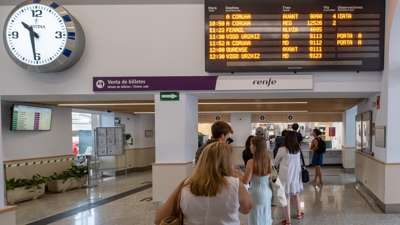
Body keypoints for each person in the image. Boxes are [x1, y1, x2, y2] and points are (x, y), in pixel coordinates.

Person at [155, 142, 253, 225]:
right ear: (227, 162)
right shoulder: (235, 184)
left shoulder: (186, 184)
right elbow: (246, 209)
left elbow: (159, 218)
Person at [239, 135, 273, 225]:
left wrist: (238, 175)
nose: (250, 147)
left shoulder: (251, 162)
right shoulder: (268, 159)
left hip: (256, 192)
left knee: (256, 217)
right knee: (266, 215)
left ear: (256, 147)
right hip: (268, 191)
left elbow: (246, 181)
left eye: (251, 144)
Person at [274, 131, 304, 225]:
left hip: (285, 176)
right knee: (296, 195)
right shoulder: (298, 148)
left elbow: (275, 162)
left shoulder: (282, 149)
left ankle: (288, 221)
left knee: (286, 197)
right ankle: (299, 213)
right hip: (296, 176)